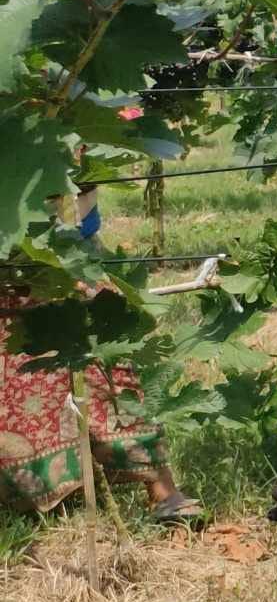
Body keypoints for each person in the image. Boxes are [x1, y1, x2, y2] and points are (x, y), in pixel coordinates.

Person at [0, 189, 201, 522]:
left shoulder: (62, 142)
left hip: (63, 244)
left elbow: (76, 180)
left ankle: (162, 491)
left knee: (104, 362)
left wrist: (65, 233)